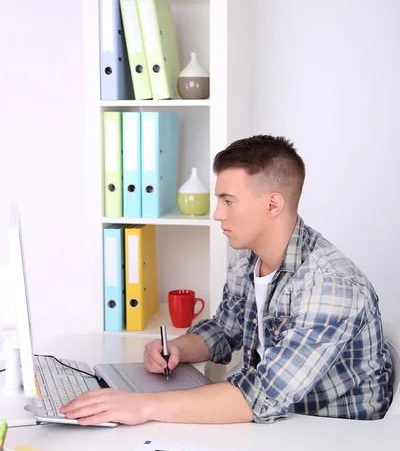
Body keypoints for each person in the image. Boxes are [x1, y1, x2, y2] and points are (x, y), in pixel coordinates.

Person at [61, 135, 392, 425]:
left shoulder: (332, 286)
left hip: (331, 435)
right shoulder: (247, 258)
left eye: (228, 201)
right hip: (275, 420)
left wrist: (143, 405)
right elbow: (225, 329)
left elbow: (261, 395)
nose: (218, 213)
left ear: (273, 203)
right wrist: (175, 348)